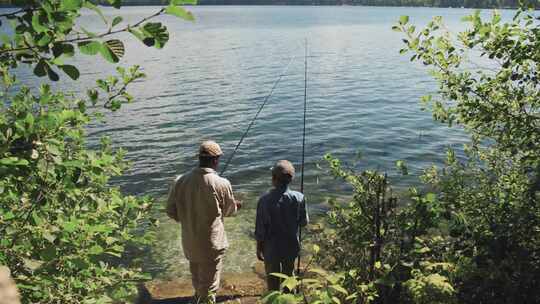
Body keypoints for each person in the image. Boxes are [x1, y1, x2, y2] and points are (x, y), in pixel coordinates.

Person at [166, 140, 241, 304]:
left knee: (197, 275)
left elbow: (171, 211)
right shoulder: (222, 183)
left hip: (190, 241)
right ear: (216, 160)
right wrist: (236, 206)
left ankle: (197, 298)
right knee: (211, 284)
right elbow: (230, 211)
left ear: (199, 158)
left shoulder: (179, 181)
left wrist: (186, 218)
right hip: (212, 243)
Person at [255, 160, 309, 291]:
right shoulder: (300, 197)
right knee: (289, 276)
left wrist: (258, 248)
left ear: (273, 178)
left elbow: (260, 230)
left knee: (272, 277)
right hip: (291, 246)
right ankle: (288, 298)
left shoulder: (264, 200)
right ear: (291, 179)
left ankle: (274, 299)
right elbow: (304, 222)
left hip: (271, 248)